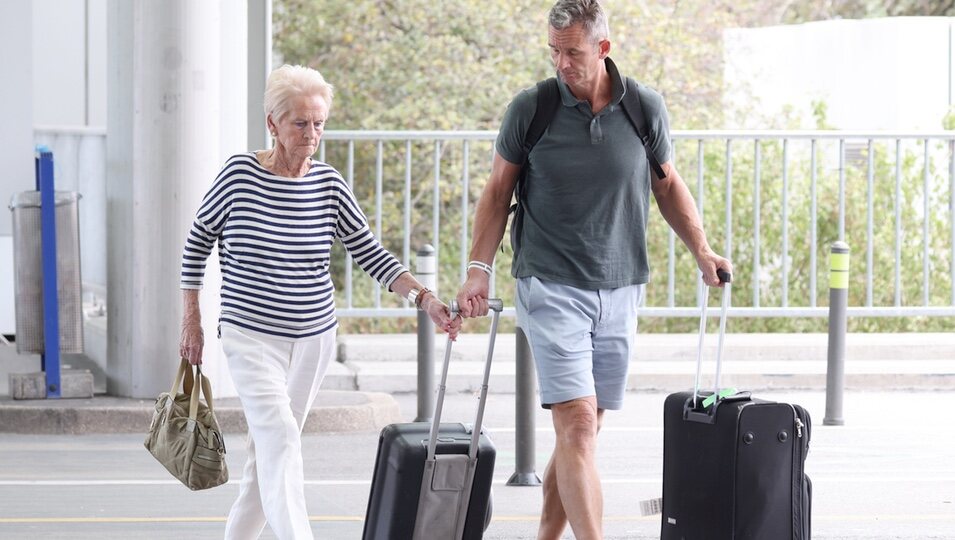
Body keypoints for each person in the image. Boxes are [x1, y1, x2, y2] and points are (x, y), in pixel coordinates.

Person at [455, 1, 732, 539]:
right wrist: (477, 270)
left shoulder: (644, 108)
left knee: (583, 431)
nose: (561, 63)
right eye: (553, 51)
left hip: (621, 284)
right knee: (578, 426)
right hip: (550, 283)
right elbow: (495, 193)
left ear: (603, 49)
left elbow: (667, 184)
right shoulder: (531, 108)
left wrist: (702, 250)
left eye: (573, 52)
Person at [178, 64, 460, 540]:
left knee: (269, 453)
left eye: (320, 123)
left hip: (313, 339)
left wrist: (425, 299)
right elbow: (197, 242)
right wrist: (192, 319)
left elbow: (370, 252)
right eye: (300, 123)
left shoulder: (329, 183)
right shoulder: (239, 175)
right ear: (273, 122)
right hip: (250, 336)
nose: (313, 134)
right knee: (282, 438)